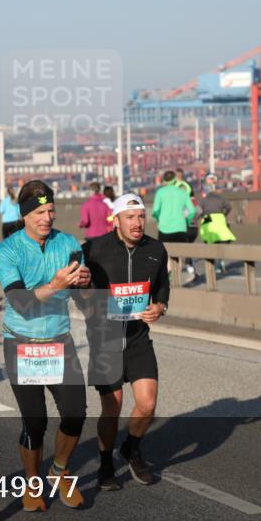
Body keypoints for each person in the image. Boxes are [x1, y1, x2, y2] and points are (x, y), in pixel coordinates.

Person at [0, 180, 91, 512]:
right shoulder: (7, 250)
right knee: (35, 423)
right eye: (38, 213)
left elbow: (82, 296)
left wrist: (85, 283)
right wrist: (54, 284)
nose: (46, 218)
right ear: (24, 216)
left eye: (50, 211)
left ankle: (60, 471)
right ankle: (33, 481)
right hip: (21, 344)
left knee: (76, 414)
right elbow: (20, 301)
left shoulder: (68, 243)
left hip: (59, 341)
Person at [82, 194, 169, 490]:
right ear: (115, 220)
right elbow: (76, 284)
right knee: (112, 406)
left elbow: (162, 289)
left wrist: (160, 307)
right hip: (104, 338)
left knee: (147, 403)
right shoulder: (94, 249)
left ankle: (131, 448)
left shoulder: (156, 249)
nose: (137, 223)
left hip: (138, 338)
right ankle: (106, 464)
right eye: (130, 217)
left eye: (141, 216)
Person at [199, 175, 237, 273]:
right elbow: (229, 207)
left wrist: (196, 218)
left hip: (208, 219)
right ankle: (221, 261)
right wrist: (224, 214)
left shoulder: (204, 200)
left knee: (209, 242)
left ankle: (214, 264)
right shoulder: (221, 198)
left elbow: (199, 211)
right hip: (219, 219)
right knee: (222, 240)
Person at [151, 171, 196, 243]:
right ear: (175, 179)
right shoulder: (183, 192)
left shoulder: (160, 192)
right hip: (180, 227)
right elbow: (192, 211)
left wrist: (159, 220)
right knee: (180, 252)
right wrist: (187, 221)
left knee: (164, 253)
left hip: (164, 228)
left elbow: (155, 210)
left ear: (164, 180)